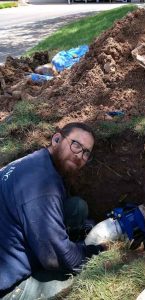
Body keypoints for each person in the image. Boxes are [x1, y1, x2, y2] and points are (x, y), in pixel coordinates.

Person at [0, 122, 105, 300]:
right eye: (76, 145)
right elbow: (57, 259)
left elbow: (54, 209)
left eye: (86, 152)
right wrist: (97, 252)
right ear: (57, 138)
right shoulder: (42, 187)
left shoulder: (36, 161)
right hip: (5, 284)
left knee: (76, 207)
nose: (80, 155)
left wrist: (90, 225)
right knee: (75, 278)